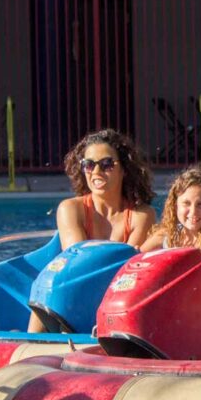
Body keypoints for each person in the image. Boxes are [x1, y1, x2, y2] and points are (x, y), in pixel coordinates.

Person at [27, 128, 156, 332]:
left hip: (116, 299)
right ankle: (30, 343)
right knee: (47, 285)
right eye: (89, 164)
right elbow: (79, 263)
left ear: (124, 169)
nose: (96, 172)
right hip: (72, 295)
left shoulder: (142, 214)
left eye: (106, 164)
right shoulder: (71, 209)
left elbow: (128, 269)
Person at [140, 166, 201, 262]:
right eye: (186, 203)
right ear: (175, 206)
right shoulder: (166, 235)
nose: (193, 212)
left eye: (200, 204)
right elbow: (137, 258)